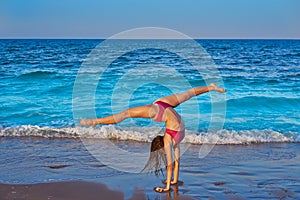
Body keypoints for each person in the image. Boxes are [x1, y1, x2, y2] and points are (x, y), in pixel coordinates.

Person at [80, 83, 226, 193]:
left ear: (162, 145)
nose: (163, 153)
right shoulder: (171, 140)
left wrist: (167, 187)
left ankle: (95, 121)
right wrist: (173, 180)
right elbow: (176, 161)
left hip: (162, 112)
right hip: (164, 106)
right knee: (188, 94)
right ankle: (210, 87)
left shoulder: (171, 140)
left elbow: (171, 164)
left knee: (125, 114)